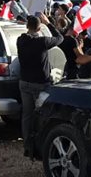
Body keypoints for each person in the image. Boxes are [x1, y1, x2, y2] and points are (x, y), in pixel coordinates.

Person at [16, 12, 62, 158]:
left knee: (27, 116)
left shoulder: (20, 40)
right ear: (39, 28)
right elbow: (59, 38)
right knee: (42, 115)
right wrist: (48, 23)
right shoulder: (42, 42)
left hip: (25, 82)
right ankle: (41, 146)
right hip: (41, 84)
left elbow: (27, 35)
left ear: (27, 27)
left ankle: (27, 146)